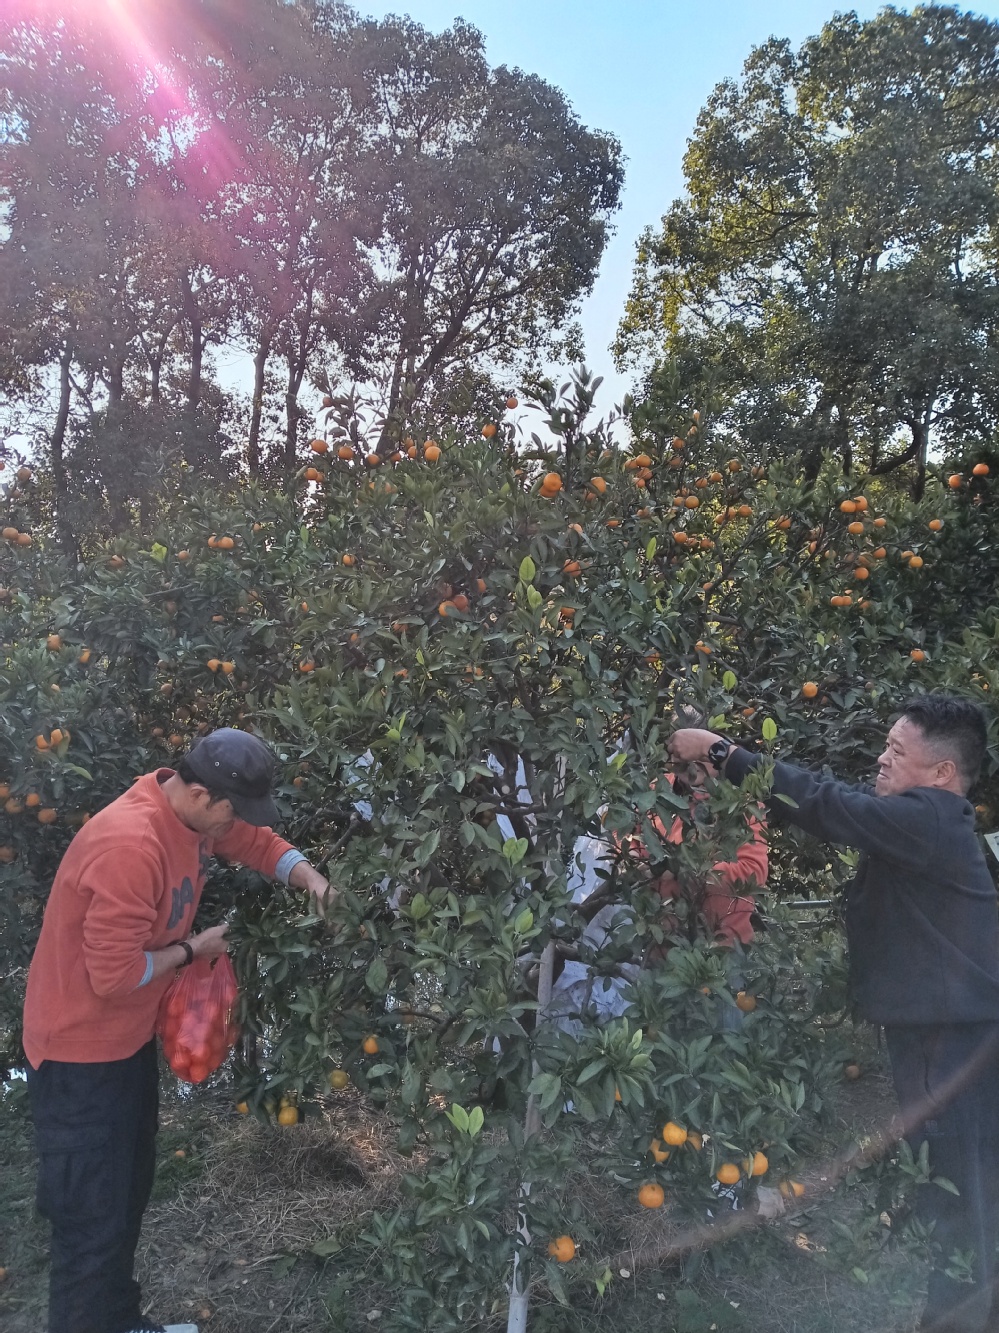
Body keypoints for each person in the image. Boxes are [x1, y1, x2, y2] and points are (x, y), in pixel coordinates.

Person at [669, 695, 999, 1333]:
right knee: (970, 1193)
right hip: (959, 1036)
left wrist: (720, 751)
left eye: (897, 751)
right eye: (886, 745)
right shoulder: (927, 825)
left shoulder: (929, 819)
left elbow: (827, 805)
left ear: (942, 773)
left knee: (957, 1201)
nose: (882, 758)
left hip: (952, 1044)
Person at [22, 727, 334, 1333]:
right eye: (231, 811)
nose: (234, 825)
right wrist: (195, 948)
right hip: (78, 1056)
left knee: (124, 1201)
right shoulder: (130, 847)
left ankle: (118, 1321)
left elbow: (257, 843)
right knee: (91, 1224)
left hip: (123, 1043)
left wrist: (312, 879)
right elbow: (112, 977)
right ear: (198, 794)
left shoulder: (189, 816)